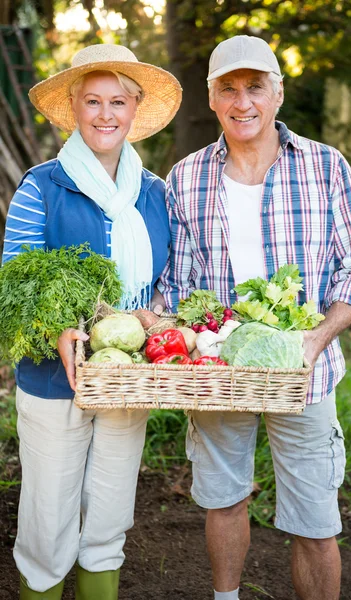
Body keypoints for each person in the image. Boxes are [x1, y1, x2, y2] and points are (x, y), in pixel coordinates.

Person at [159, 35, 351, 600]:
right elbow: (179, 284)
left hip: (307, 374)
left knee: (315, 517)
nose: (243, 101)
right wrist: (168, 332)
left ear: (278, 93)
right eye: (228, 89)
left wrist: (316, 338)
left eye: (255, 86)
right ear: (211, 99)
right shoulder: (186, 177)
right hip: (219, 372)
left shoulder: (326, 167)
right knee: (223, 497)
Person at [1, 43, 181, 599]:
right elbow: (17, 277)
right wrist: (59, 330)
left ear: (134, 109)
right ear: (74, 108)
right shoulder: (42, 186)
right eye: (94, 101)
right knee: (47, 523)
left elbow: (169, 280)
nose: (106, 114)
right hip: (54, 380)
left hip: (127, 377)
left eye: (118, 102)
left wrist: (155, 319)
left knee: (107, 518)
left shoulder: (155, 194)